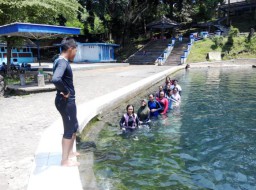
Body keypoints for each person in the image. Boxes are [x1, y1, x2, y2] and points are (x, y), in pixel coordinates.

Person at [52, 37, 80, 167]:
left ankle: (70, 153)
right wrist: (65, 91)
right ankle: (64, 160)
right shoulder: (62, 62)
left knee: (74, 126)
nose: (76, 53)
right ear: (70, 49)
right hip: (65, 101)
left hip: (67, 101)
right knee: (69, 129)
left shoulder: (59, 60)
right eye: (75, 50)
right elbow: (56, 79)